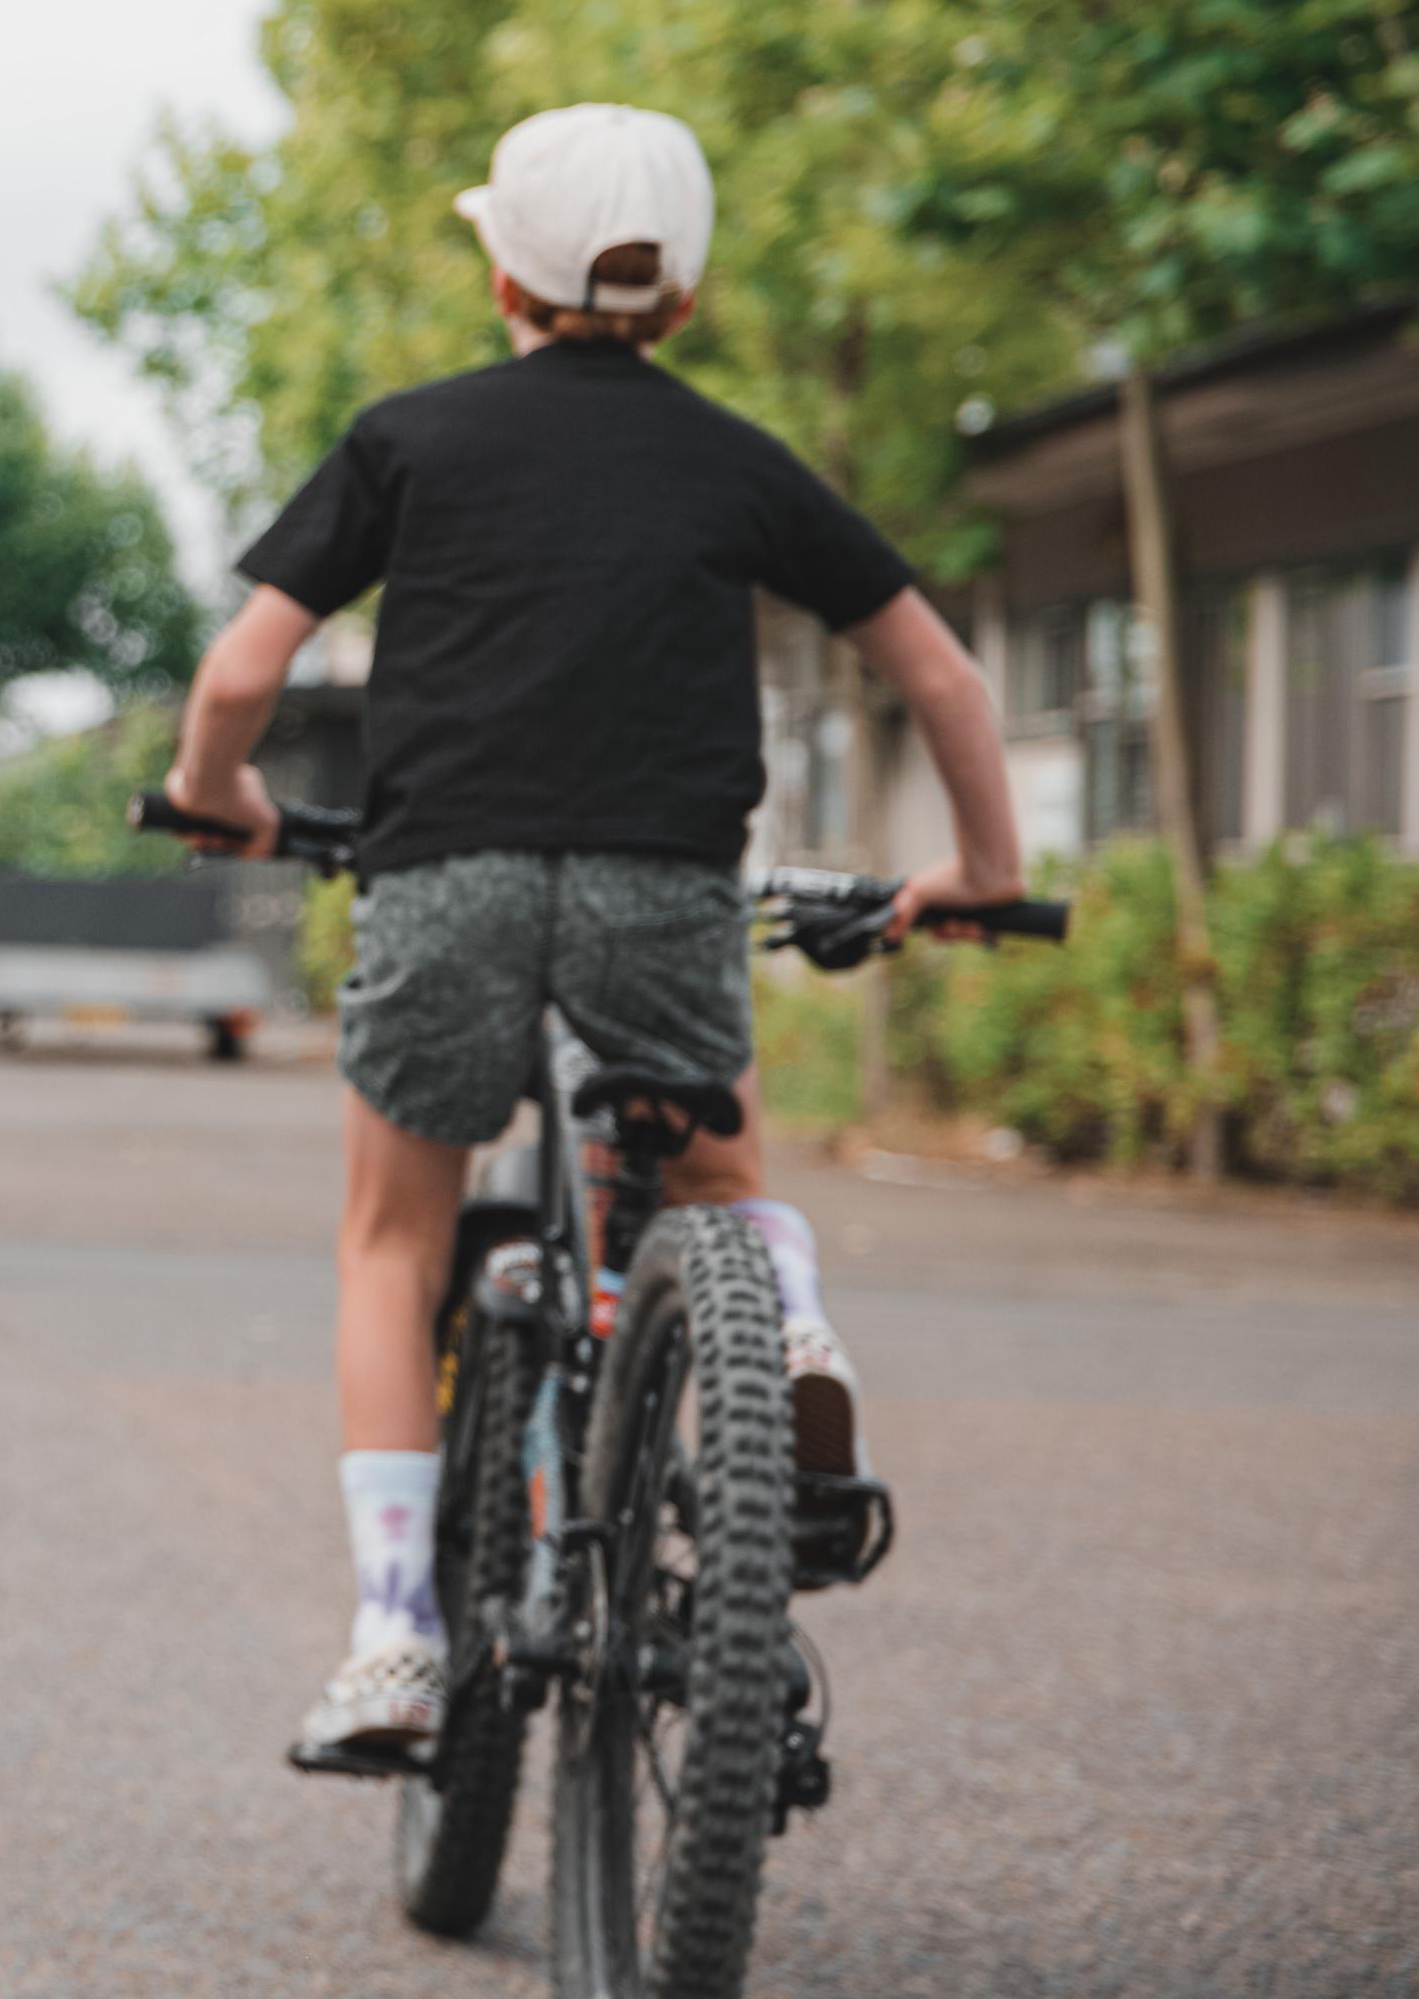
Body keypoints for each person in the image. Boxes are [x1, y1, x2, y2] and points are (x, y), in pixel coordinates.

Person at [158, 103, 1029, 1764]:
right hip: (660, 878)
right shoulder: (737, 460)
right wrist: (978, 872)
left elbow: (239, 677)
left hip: (449, 875)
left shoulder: (406, 441)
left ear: (501, 274)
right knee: (721, 1173)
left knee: (392, 1241)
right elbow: (947, 681)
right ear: (683, 305)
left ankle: (398, 1640)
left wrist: (226, 797)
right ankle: (784, 1333)